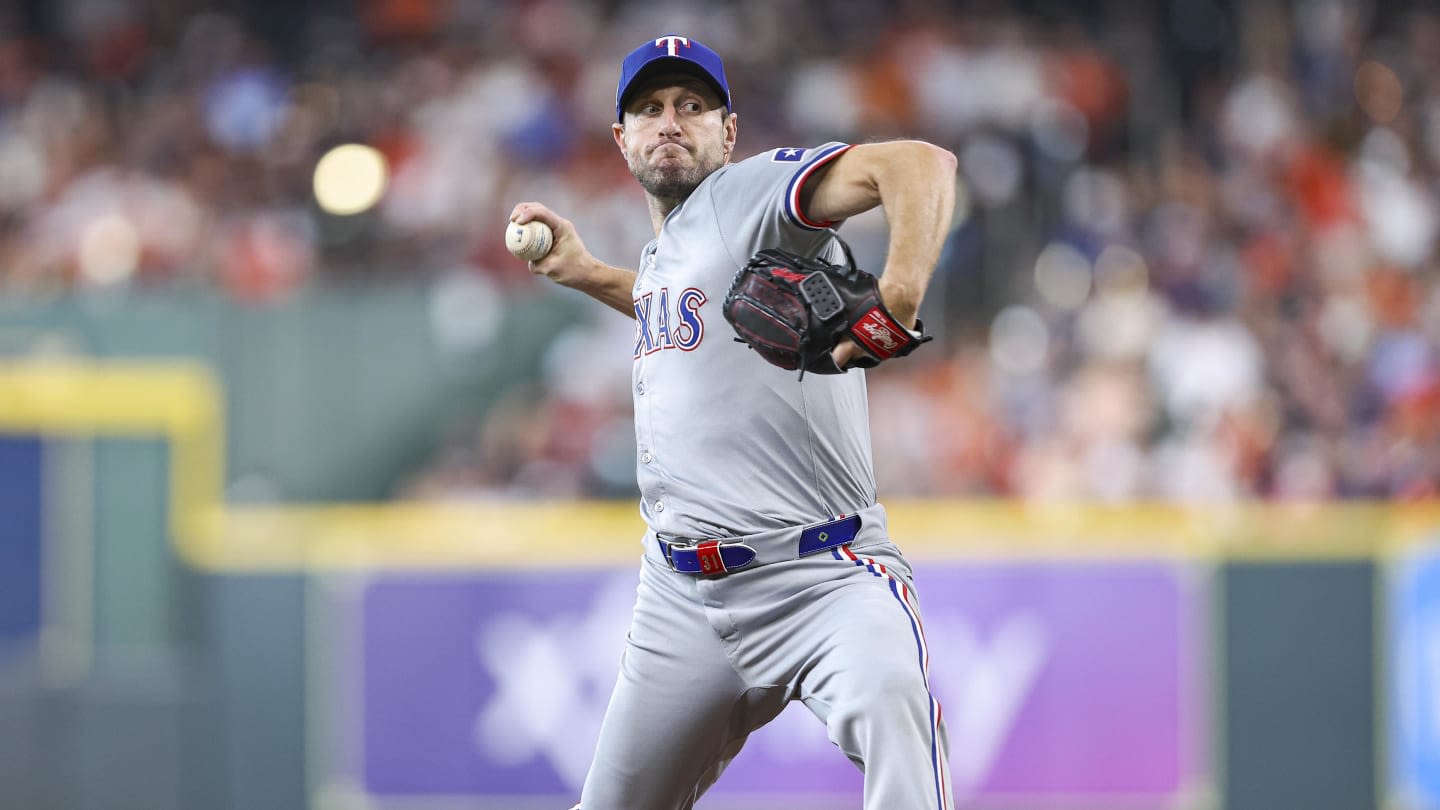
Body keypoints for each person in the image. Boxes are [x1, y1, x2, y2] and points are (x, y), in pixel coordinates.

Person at [511, 33, 957, 810]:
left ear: (730, 131)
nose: (670, 122)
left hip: (822, 577)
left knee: (895, 714)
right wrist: (589, 276)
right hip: (683, 601)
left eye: (692, 106)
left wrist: (900, 298)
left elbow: (920, 163)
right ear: (622, 140)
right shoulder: (668, 252)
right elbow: (684, 310)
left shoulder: (747, 195)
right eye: (649, 109)